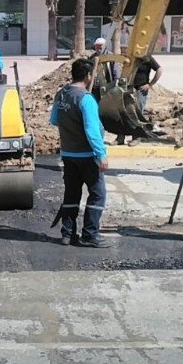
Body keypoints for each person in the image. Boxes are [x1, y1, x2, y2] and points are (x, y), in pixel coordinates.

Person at [50, 58, 110, 248]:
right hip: (87, 156)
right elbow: (92, 131)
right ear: (89, 76)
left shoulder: (61, 95)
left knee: (71, 194)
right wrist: (101, 154)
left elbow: (54, 120)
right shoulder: (85, 98)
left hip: (68, 154)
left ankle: (67, 234)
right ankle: (90, 234)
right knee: (97, 194)